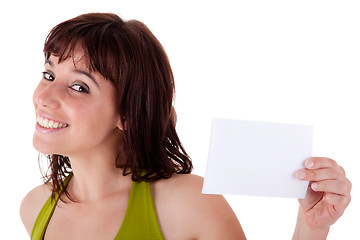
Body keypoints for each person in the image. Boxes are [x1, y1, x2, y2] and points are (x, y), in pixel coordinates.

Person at [20, 12, 351, 240]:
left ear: (128, 114)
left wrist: (311, 229)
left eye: (79, 86)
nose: (45, 97)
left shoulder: (187, 203)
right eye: (48, 75)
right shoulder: (34, 208)